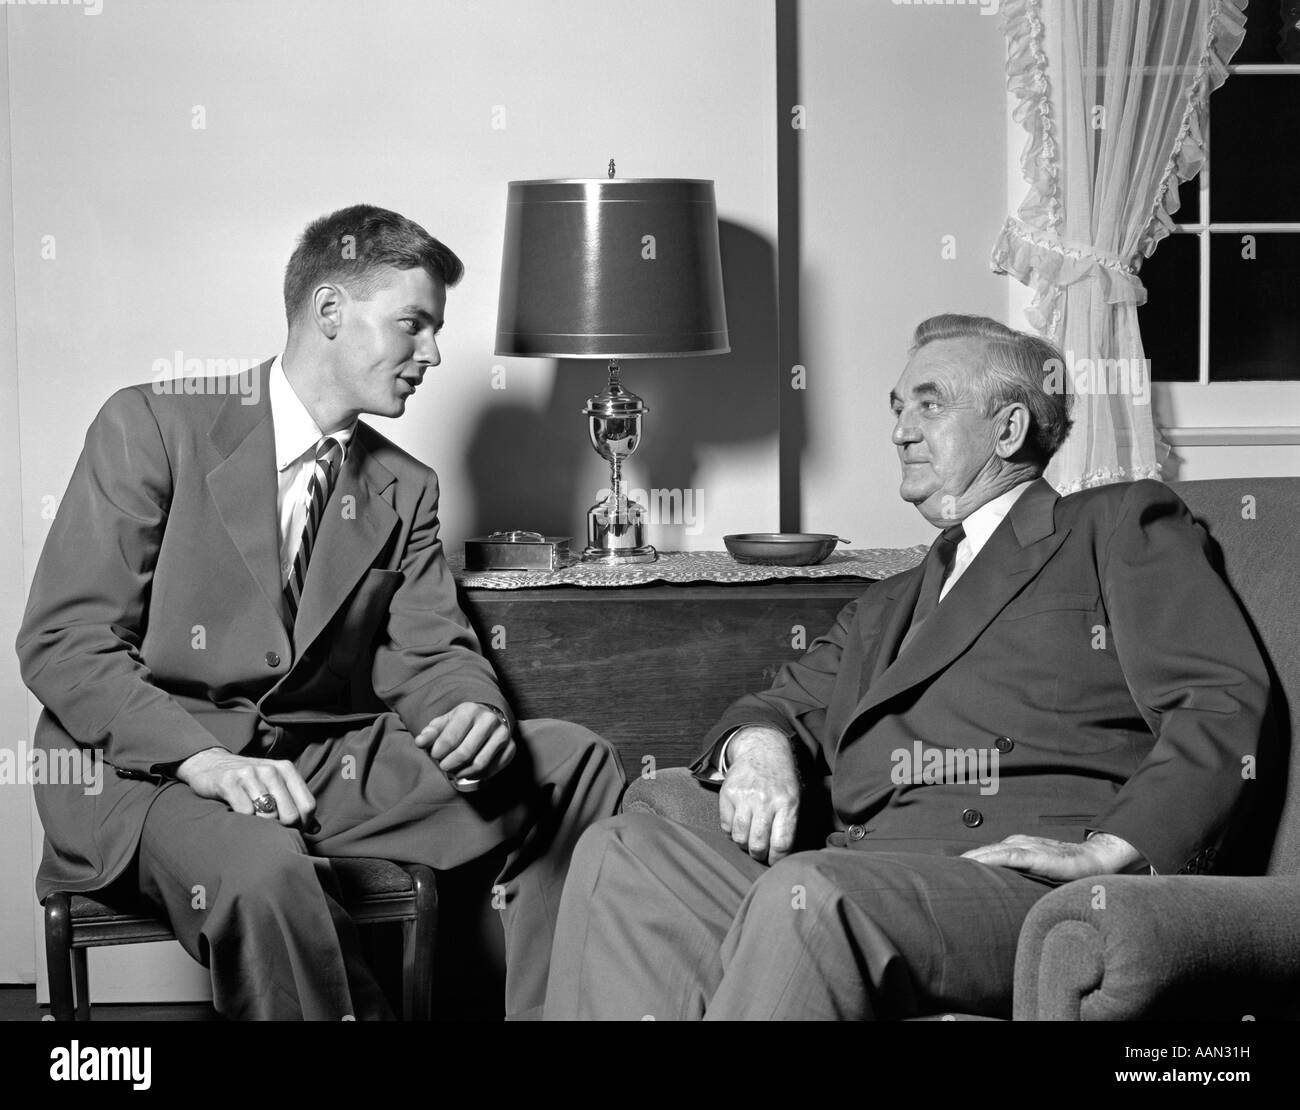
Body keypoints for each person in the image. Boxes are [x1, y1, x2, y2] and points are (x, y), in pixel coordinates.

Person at [543, 313, 1271, 1021]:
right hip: (859, 870)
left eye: (930, 404)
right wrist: (759, 749)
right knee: (623, 850)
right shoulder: (886, 600)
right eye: (897, 408)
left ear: (1009, 428)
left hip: (1011, 881)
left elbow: (1217, 701)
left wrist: (1114, 851)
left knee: (816, 894)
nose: (900, 430)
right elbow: (781, 704)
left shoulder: (1113, 526)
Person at [17, 204, 625, 1020]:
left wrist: (469, 710)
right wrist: (205, 763)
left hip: (314, 768)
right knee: (265, 870)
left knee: (569, 762)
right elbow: (65, 641)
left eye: (436, 331)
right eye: (413, 324)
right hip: (149, 772)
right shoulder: (154, 425)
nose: (433, 354)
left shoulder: (405, 488)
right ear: (330, 311)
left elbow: (430, 650)